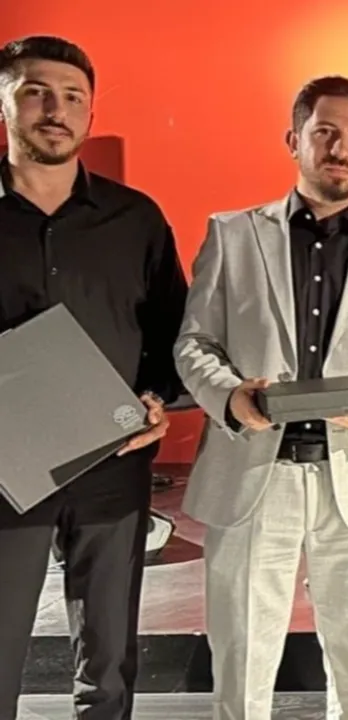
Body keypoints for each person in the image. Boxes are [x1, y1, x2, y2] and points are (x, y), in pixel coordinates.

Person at [174, 75, 348, 720]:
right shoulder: (232, 235)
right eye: (326, 133)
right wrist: (230, 397)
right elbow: (194, 343)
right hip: (255, 471)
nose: (341, 149)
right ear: (294, 140)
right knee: (242, 653)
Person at [0, 36, 186, 720]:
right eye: (36, 92)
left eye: (73, 97)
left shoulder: (136, 219)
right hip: (4, 470)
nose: (57, 110)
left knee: (109, 659)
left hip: (112, 459)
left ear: (90, 113)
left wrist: (157, 400)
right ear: (4, 104)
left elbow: (174, 335)